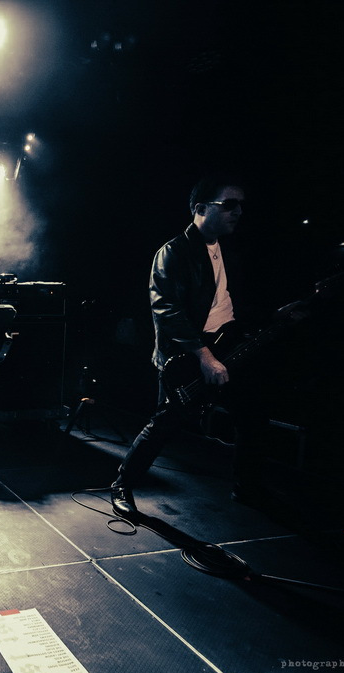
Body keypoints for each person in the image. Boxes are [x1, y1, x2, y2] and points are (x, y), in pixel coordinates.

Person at [111, 175, 270, 517]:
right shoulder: (173, 252)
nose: (238, 212)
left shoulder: (231, 250)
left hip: (226, 348)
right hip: (186, 355)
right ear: (201, 208)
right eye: (229, 204)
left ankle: (247, 487)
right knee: (165, 423)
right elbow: (167, 310)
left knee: (253, 415)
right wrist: (204, 356)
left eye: (241, 205)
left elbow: (232, 303)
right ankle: (122, 484)